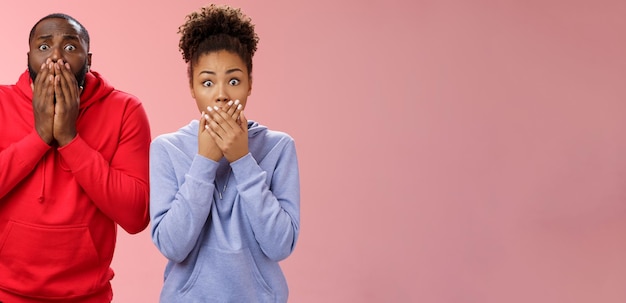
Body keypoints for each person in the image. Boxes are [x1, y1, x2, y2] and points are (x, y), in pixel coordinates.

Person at [150, 4, 301, 302]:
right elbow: (172, 245)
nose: (221, 94)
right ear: (192, 87)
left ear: (250, 84)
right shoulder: (166, 148)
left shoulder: (279, 147)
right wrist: (204, 161)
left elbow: (281, 245)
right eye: (207, 82)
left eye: (234, 81)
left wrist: (242, 160)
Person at [0, 13, 151, 302]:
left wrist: (69, 139)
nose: (56, 58)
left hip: (88, 296)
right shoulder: (1, 103)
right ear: (28, 57)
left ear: (89, 58)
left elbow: (135, 216)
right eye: (44, 47)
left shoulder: (125, 110)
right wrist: (40, 137)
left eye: (70, 48)